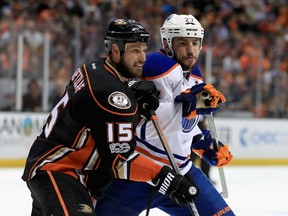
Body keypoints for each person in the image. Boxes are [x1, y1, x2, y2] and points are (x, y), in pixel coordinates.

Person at [21, 18, 200, 216]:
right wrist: (167, 178)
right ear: (115, 50)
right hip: (58, 169)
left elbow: (98, 109)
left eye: (143, 50)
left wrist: (131, 90)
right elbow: (120, 161)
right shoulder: (113, 96)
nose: (143, 58)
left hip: (60, 168)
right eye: (135, 51)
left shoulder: (94, 68)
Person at [95, 14, 234, 216]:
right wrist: (188, 109)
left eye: (195, 43)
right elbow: (142, 125)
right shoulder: (154, 66)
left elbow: (181, 125)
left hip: (182, 172)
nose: (191, 50)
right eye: (183, 43)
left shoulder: (195, 74)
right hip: (138, 173)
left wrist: (200, 142)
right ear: (167, 43)